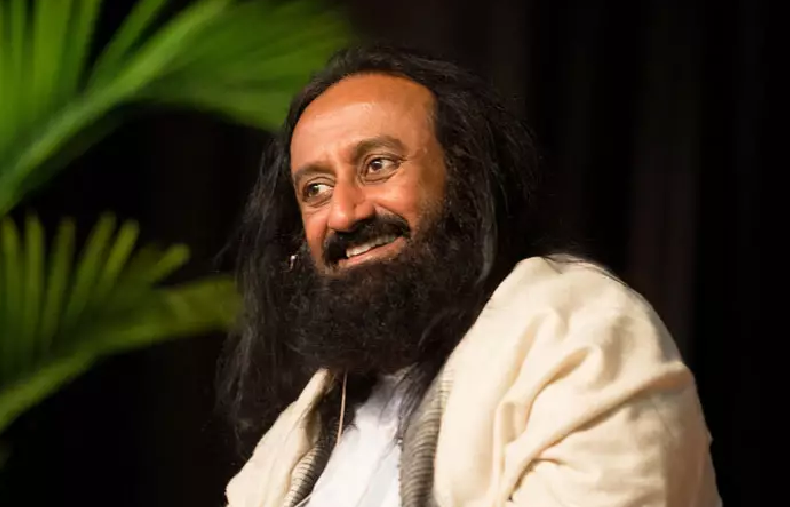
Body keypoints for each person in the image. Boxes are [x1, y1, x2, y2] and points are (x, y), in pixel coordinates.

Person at [218, 43, 721, 507]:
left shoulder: (580, 330)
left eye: (378, 165)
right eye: (316, 189)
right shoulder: (310, 420)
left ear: (465, 176)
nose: (345, 213)